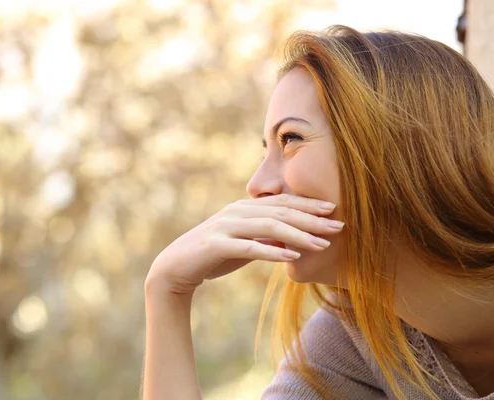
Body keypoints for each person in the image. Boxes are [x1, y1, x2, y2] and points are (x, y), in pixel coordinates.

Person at [141, 25, 494, 400]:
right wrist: (167, 290)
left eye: (290, 139)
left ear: (396, 147)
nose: (256, 184)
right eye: (266, 152)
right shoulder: (357, 334)